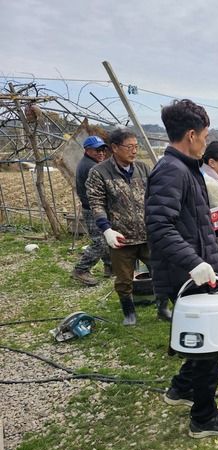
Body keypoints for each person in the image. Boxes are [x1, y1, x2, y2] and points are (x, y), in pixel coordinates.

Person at [145, 99, 218, 438]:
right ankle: (204, 418)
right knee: (211, 346)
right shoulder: (172, 171)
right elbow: (159, 227)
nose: (206, 139)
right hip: (186, 272)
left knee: (204, 340)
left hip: (197, 265)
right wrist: (195, 262)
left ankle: (181, 388)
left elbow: (190, 221)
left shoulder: (186, 168)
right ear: (190, 135)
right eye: (204, 134)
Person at [86, 129, 167, 325]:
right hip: (121, 237)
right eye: (129, 147)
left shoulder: (143, 168)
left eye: (136, 147)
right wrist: (106, 229)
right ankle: (129, 313)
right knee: (123, 280)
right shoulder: (100, 172)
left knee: (161, 272)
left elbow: (157, 196)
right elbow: (96, 202)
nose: (134, 151)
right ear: (114, 148)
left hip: (148, 235)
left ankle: (163, 308)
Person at [71, 136, 112, 286]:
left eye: (103, 149)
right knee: (100, 242)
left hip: (95, 208)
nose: (101, 153)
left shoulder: (91, 163)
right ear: (87, 150)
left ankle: (110, 266)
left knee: (107, 239)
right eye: (97, 150)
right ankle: (81, 269)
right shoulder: (90, 167)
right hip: (93, 209)